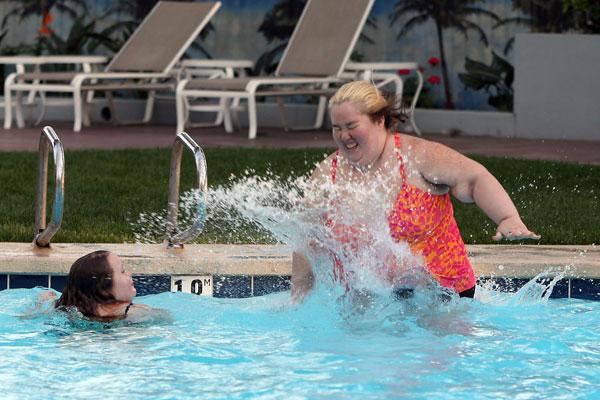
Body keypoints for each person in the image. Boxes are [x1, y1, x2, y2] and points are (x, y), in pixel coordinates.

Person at [292, 80, 540, 302]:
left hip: (443, 298)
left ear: (379, 120)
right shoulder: (328, 175)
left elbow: (475, 179)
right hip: (373, 301)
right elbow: (306, 240)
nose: (343, 136)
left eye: (351, 125)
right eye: (336, 127)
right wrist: (299, 298)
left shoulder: (417, 157)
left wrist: (508, 218)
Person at [50, 250, 156, 322]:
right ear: (105, 290)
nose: (129, 273)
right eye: (122, 271)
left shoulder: (65, 311)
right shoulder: (140, 314)